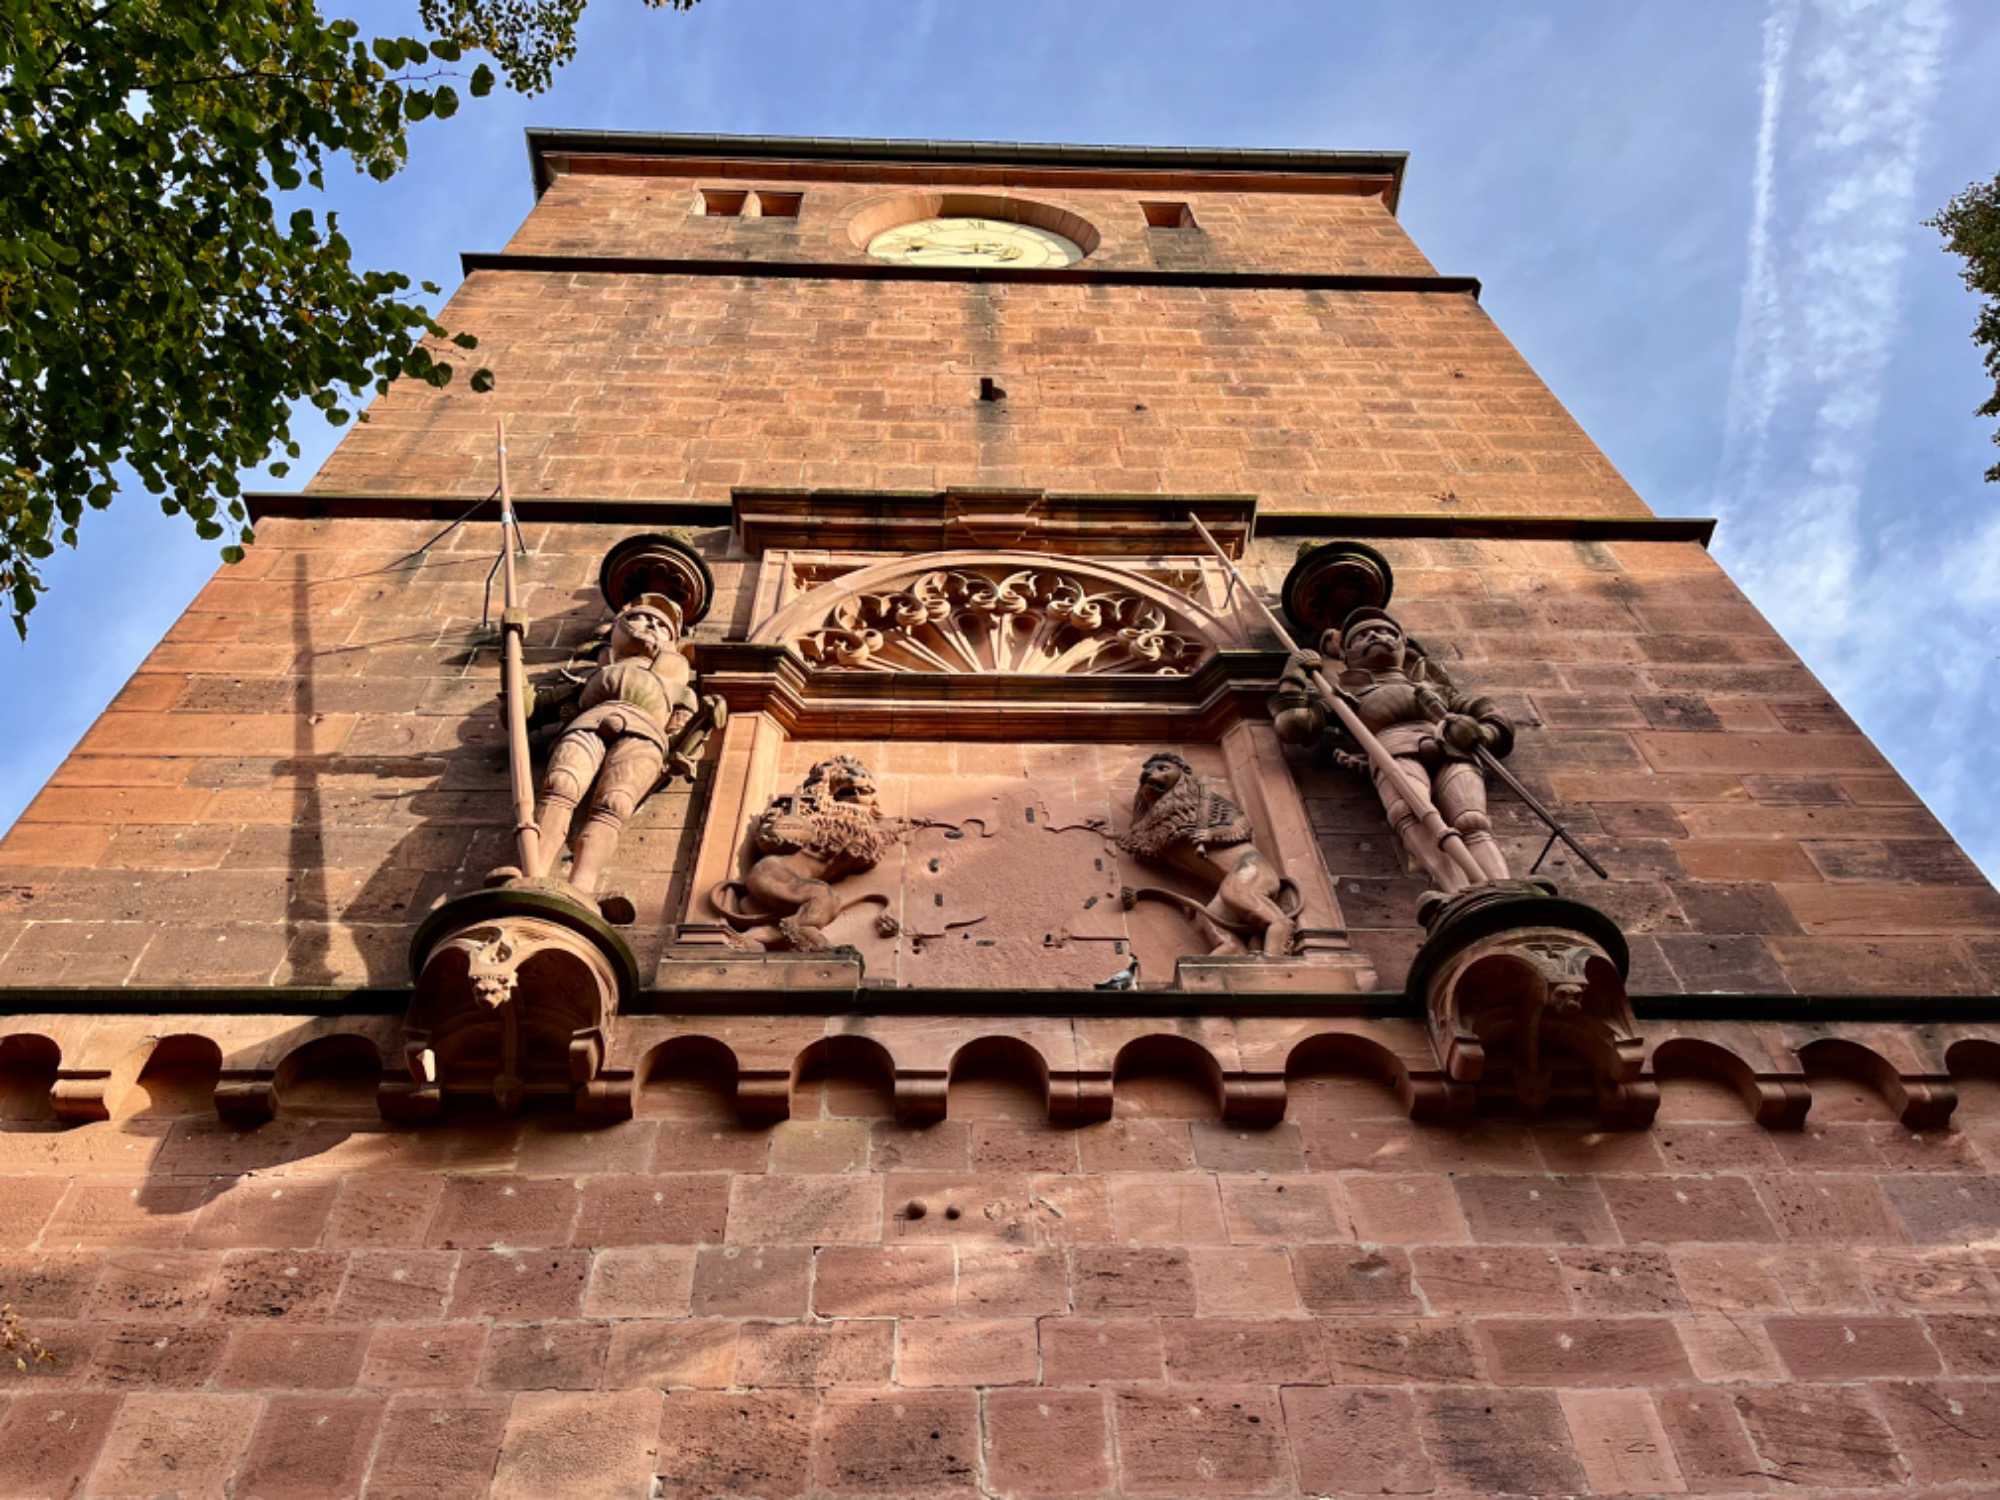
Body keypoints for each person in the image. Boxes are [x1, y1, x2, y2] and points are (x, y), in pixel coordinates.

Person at [1272, 606, 1514, 893]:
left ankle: (1503, 887)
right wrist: (1294, 674)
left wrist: (1482, 733)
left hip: (1450, 746)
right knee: (1413, 816)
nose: (1375, 636)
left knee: (1471, 820)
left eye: (1386, 632)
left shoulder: (1434, 688)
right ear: (1346, 654)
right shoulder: (1344, 697)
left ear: (1403, 644)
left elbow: (1493, 716)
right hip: (1394, 751)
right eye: (1362, 635)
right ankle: (1457, 891)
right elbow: (1293, 726)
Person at [521, 592, 716, 895]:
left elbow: (679, 736)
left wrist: (702, 721)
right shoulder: (591, 675)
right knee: (560, 784)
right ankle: (532, 872)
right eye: (641, 618)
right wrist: (511, 657)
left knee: (614, 805)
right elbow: (525, 710)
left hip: (646, 734)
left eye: (661, 626)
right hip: (589, 721)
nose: (651, 625)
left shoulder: (677, 687)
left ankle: (582, 887)